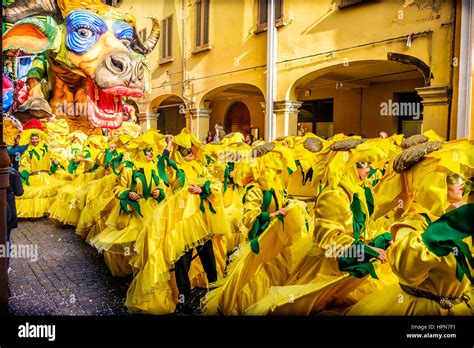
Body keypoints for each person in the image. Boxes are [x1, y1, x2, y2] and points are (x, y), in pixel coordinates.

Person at [7, 165, 24, 270]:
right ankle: (5, 265)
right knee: (6, 237)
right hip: (8, 208)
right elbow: (19, 192)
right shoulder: (12, 172)